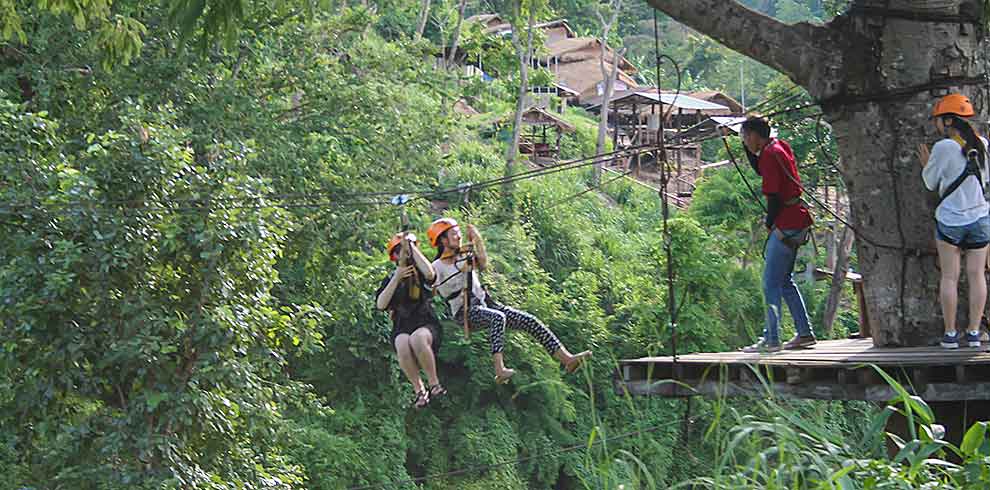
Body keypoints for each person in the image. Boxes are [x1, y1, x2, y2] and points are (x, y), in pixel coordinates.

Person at [426, 218, 591, 384]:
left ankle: (567, 359)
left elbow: (483, 263)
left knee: (529, 321)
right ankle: (499, 369)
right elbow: (432, 285)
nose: (459, 237)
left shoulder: (464, 256)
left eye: (459, 233)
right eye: (454, 234)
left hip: (485, 304)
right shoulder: (437, 267)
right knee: (498, 318)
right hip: (466, 313)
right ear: (443, 240)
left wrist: (477, 239)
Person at [739, 117, 817, 353]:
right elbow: (758, 166)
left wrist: (770, 222)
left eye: (745, 136)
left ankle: (772, 338)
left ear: (754, 135)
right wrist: (744, 146)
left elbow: (772, 196)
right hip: (797, 218)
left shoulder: (770, 155)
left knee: (770, 283)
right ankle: (804, 333)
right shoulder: (779, 146)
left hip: (786, 221)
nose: (744, 140)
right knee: (784, 281)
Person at [917, 93, 989, 349]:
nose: (936, 124)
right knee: (976, 274)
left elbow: (930, 183)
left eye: (938, 119)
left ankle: (950, 335)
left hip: (950, 219)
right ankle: (973, 332)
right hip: (980, 216)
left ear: (947, 121)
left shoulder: (943, 147)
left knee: (950, 276)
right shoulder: (982, 143)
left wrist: (926, 164)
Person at [375, 232, 446, 408]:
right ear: (395, 256)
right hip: (402, 325)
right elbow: (381, 304)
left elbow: (430, 274)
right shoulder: (391, 279)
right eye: (400, 251)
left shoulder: (421, 272)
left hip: (426, 322)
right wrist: (397, 277)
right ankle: (419, 390)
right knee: (402, 342)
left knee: (418, 338)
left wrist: (411, 246)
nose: (405, 253)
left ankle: (434, 383)